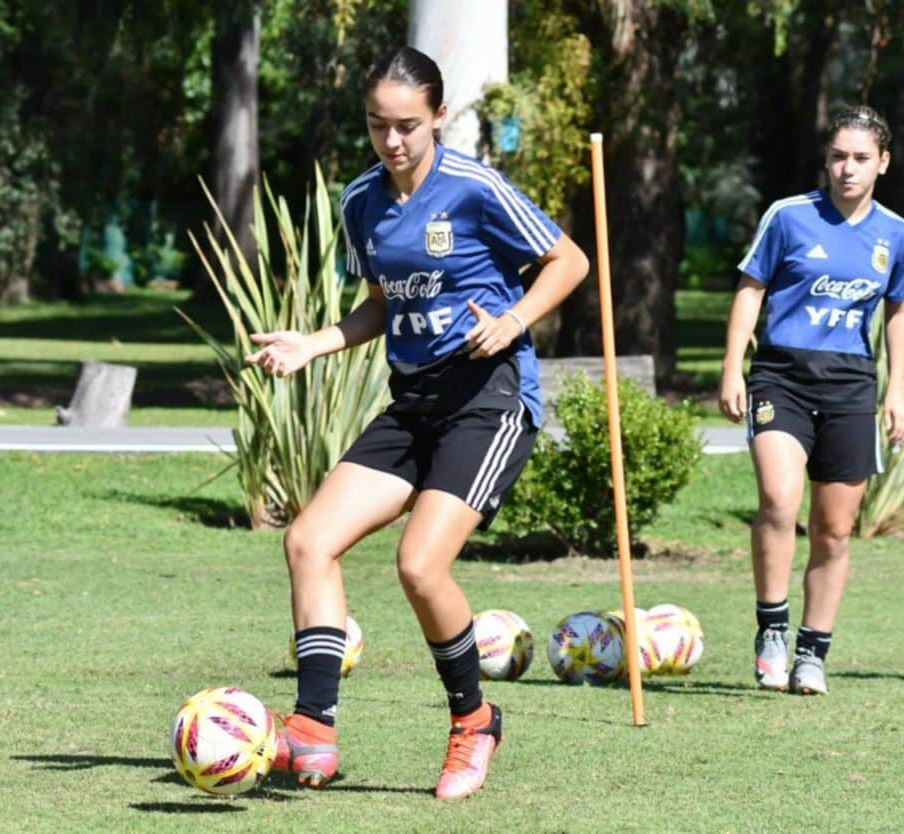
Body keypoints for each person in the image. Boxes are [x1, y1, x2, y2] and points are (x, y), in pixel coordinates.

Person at [245, 46, 588, 798]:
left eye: (407, 125)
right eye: (377, 126)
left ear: (437, 116)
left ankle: (475, 721)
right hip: (415, 401)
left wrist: (513, 320)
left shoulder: (474, 187)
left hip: (490, 399)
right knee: (308, 541)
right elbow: (381, 301)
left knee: (419, 564)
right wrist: (316, 343)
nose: (392, 141)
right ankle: (311, 730)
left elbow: (569, 261)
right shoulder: (361, 199)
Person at [718, 105, 904, 696]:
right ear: (824, 160)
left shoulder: (896, 233)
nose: (846, 169)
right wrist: (733, 368)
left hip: (852, 383)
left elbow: (899, 308)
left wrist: (897, 389)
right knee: (779, 501)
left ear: (882, 162)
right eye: (837, 156)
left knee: (834, 530)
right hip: (781, 375)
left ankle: (812, 652)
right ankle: (772, 632)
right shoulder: (789, 216)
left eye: (860, 158)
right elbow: (751, 289)